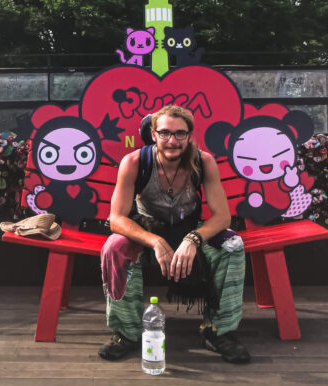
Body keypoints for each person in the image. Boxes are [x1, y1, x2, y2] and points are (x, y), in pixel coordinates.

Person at [98, 105, 250, 364]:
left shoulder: (203, 162)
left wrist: (193, 239)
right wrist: (155, 241)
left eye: (180, 133)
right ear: (153, 134)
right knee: (114, 246)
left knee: (233, 244)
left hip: (189, 230)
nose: (173, 140)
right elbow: (117, 218)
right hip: (146, 231)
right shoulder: (135, 162)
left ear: (190, 135)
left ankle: (218, 331)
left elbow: (222, 216)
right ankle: (127, 333)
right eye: (165, 132)